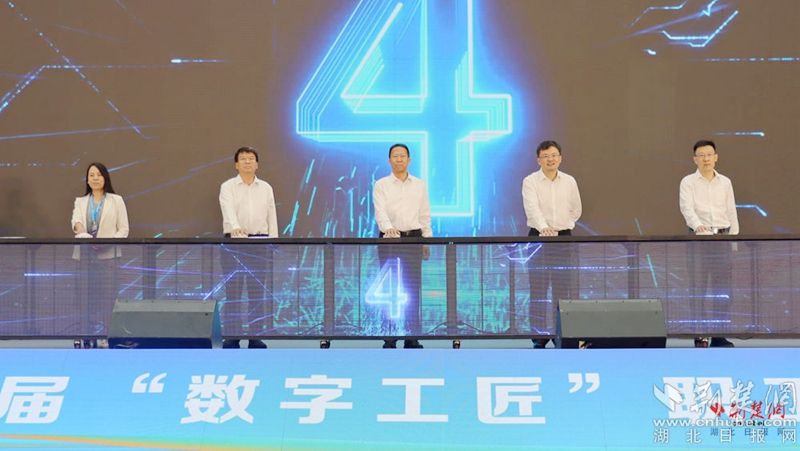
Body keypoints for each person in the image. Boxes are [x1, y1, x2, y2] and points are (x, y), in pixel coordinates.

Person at [521, 140, 582, 349]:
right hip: (538, 238)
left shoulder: (569, 181)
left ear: (560, 158)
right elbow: (532, 209)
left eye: (554, 155)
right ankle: (538, 337)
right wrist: (544, 228)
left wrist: (563, 226)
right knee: (538, 289)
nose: (550, 159)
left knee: (562, 289)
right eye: (546, 156)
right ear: (538, 160)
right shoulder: (530, 181)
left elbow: (576, 209)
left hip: (563, 238)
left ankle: (561, 335)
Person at [679, 139, 738, 348]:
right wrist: (699, 227)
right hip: (699, 241)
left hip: (722, 239)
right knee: (699, 289)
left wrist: (734, 240)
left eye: (709, 154)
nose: (706, 159)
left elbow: (731, 211)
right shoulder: (688, 182)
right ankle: (701, 335)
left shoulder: (725, 182)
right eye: (701, 155)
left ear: (716, 157)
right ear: (695, 159)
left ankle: (719, 336)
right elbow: (687, 209)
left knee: (722, 291)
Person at [373, 143, 432, 349]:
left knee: (413, 288)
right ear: (389, 160)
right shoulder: (381, 184)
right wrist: (388, 229)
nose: (399, 159)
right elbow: (380, 212)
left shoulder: (419, 185)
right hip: (389, 240)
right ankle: (389, 337)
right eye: (395, 156)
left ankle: (412, 336)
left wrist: (427, 239)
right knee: (390, 289)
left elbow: (424, 214)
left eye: (403, 156)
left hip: (414, 238)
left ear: (409, 160)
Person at [218, 146, 278, 349]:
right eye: (243, 159)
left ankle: (255, 336)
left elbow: (272, 215)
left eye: (251, 158)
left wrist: (274, 240)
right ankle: (232, 337)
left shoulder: (266, 187)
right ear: (236, 164)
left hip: (259, 243)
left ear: (257, 164)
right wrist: (235, 228)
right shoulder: (228, 186)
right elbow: (228, 210)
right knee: (233, 292)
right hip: (234, 243)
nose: (247, 162)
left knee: (257, 293)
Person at [71, 162, 129, 348]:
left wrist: (107, 243)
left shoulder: (116, 200)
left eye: (98, 174)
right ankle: (86, 335)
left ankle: (106, 336)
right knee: (84, 297)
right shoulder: (80, 201)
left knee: (108, 297)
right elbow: (76, 223)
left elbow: (124, 230)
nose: (95, 178)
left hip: (109, 256)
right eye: (91, 175)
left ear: (105, 177)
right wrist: (84, 235)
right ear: (87, 180)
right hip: (85, 257)